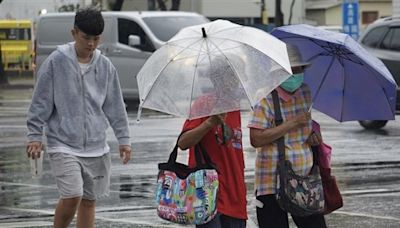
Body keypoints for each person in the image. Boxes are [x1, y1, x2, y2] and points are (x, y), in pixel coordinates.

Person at [26, 7, 132, 228]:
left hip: (96, 146)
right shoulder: (56, 62)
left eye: (96, 38)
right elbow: (41, 101)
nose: (91, 44)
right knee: (73, 194)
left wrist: (124, 140)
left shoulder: (105, 67)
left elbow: (115, 105)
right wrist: (35, 136)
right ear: (74, 33)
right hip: (62, 143)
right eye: (86, 37)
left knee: (89, 200)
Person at [248, 44, 327, 228]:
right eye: (292, 70)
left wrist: (314, 136)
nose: (296, 74)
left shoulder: (305, 92)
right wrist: (292, 123)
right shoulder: (265, 98)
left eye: (299, 69)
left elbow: (306, 129)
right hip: (272, 183)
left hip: (305, 180)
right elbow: (256, 139)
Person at [177, 58, 247, 227]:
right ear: (217, 79)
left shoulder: (234, 106)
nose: (235, 81)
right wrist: (209, 123)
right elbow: (183, 142)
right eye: (230, 76)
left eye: (236, 76)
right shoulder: (204, 104)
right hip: (207, 195)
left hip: (235, 194)